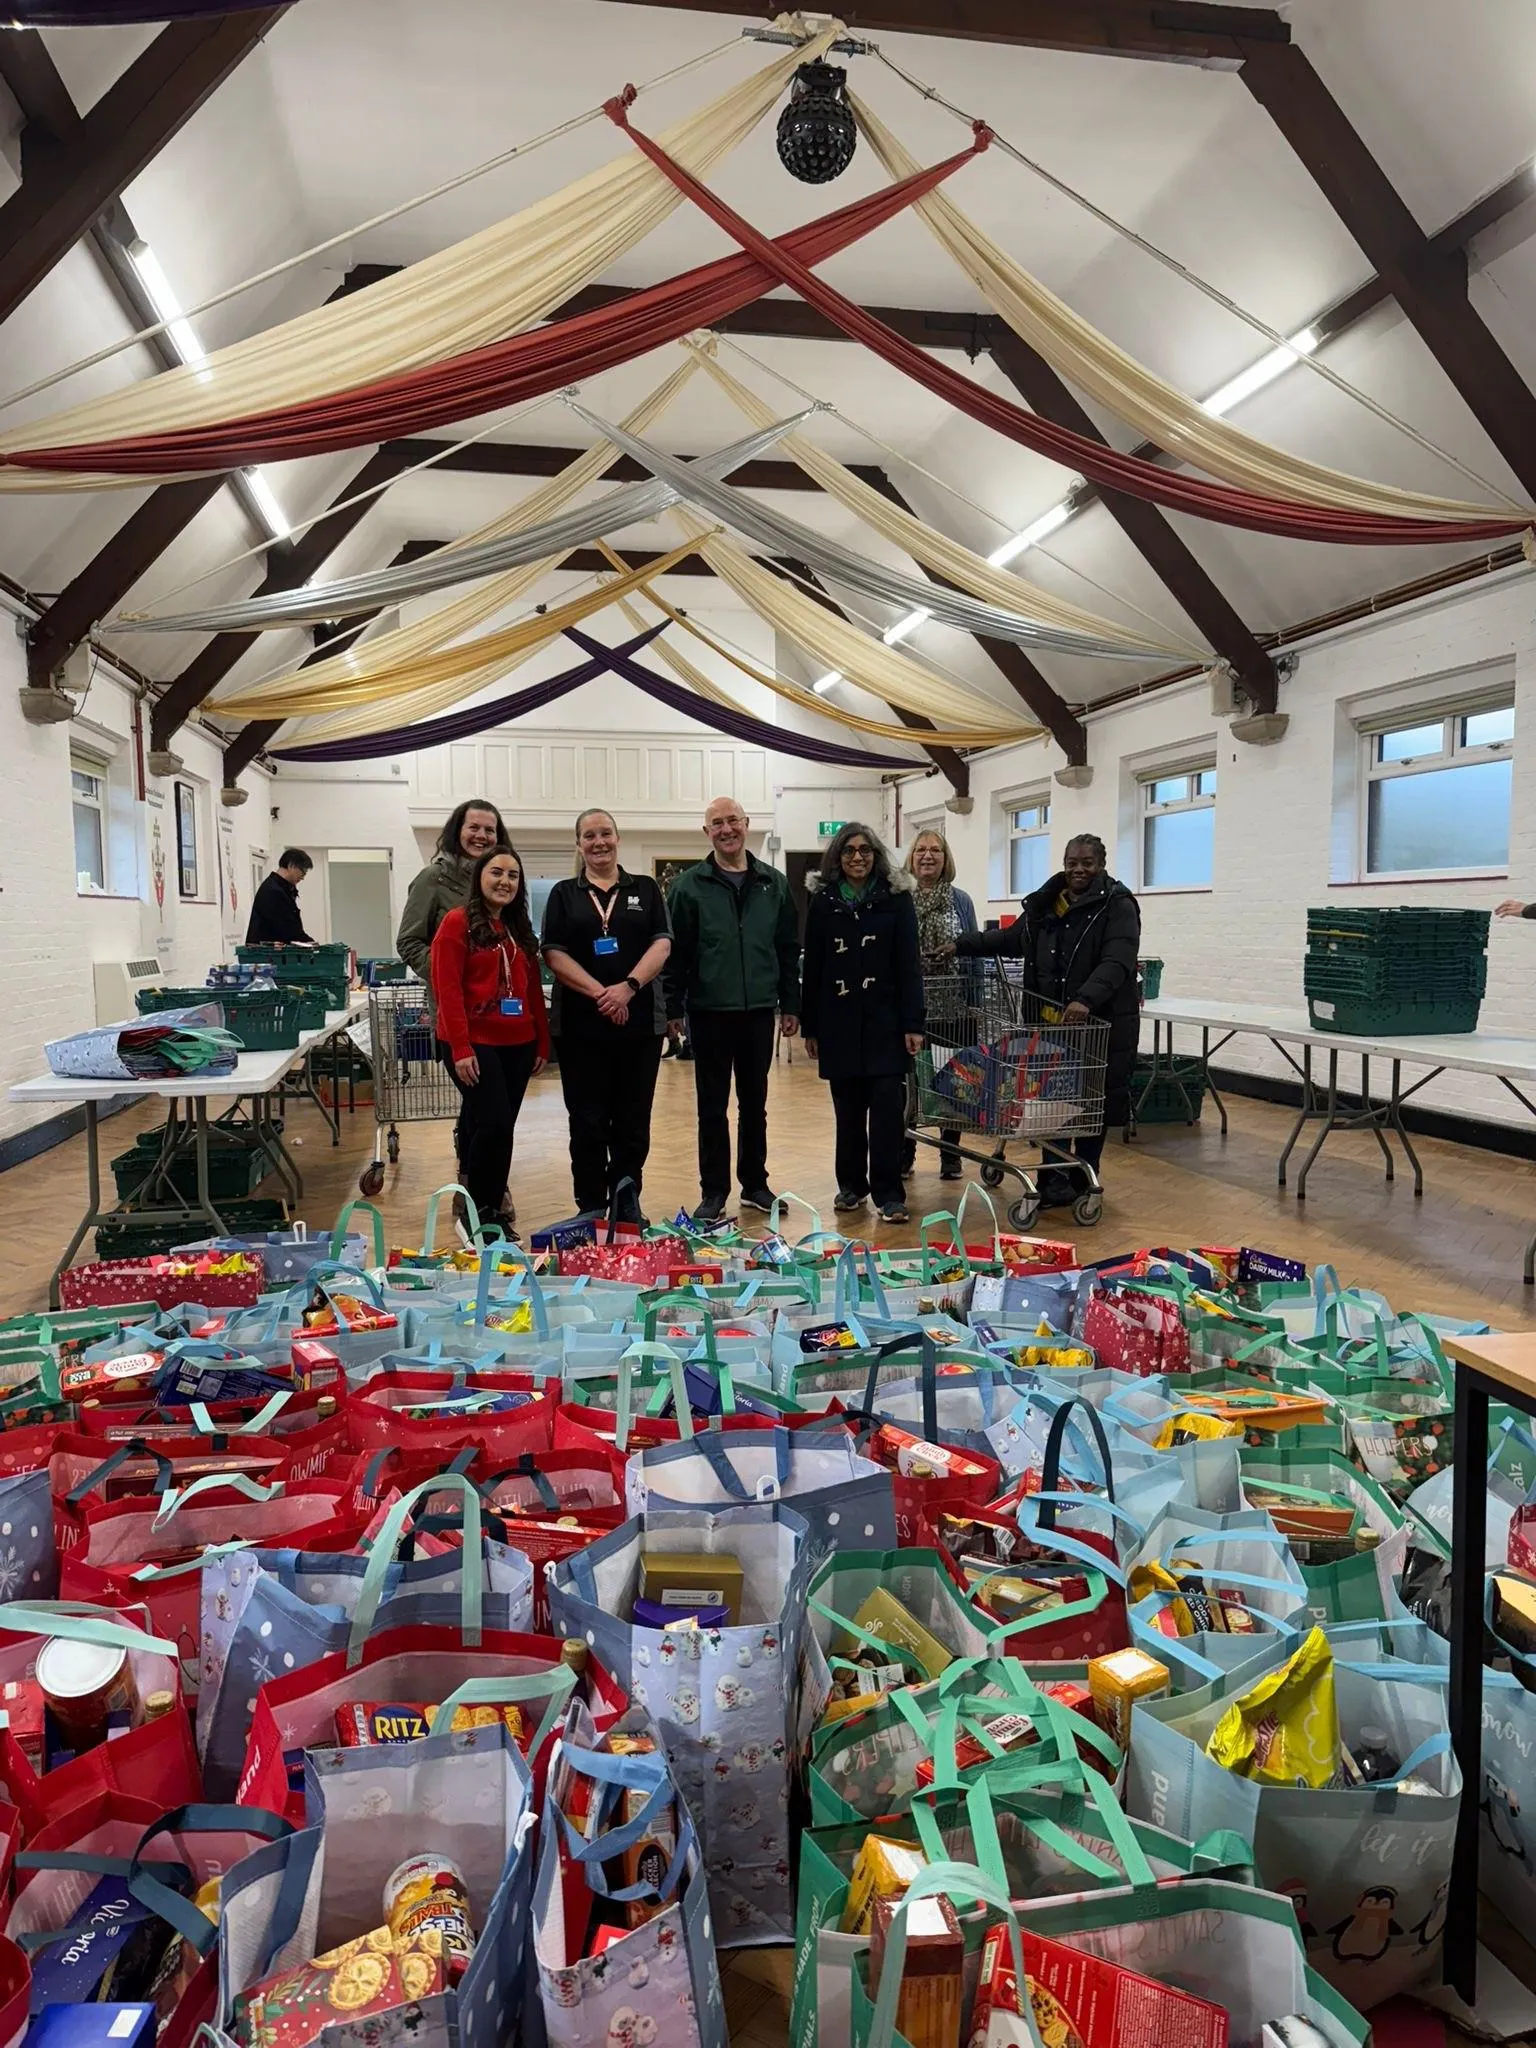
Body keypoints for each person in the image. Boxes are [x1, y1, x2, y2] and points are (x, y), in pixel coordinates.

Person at [953, 832, 1140, 1206]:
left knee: (1089, 1101)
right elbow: (1009, 938)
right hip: (1047, 1022)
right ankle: (1054, 1178)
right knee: (1050, 1098)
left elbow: (1117, 960)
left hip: (1097, 1026)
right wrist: (960, 945)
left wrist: (1086, 999)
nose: (1079, 870)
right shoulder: (1046, 905)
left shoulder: (1117, 906)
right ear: (1064, 863)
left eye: (1087, 863)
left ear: (1101, 865)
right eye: (1073, 862)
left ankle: (1085, 1175)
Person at [663, 797, 800, 1222]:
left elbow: (787, 949)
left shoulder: (773, 884)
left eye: (732, 821)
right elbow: (676, 954)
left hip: (759, 1010)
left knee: (754, 1103)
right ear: (707, 832)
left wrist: (791, 1004)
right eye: (717, 823)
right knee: (711, 1105)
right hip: (708, 1011)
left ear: (746, 824)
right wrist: (673, 1008)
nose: (726, 829)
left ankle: (755, 1184)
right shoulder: (687, 887)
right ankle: (714, 1190)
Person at [542, 809, 672, 1225]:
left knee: (633, 1121)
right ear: (578, 844)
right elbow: (554, 953)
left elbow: (662, 944)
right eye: (588, 835)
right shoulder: (563, 894)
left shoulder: (647, 890)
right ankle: (592, 1207)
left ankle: (627, 1200)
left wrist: (628, 988)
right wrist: (602, 994)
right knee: (587, 1120)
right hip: (581, 1030)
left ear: (618, 837)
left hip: (639, 1030)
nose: (599, 842)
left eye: (606, 833)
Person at [801, 823, 925, 1226]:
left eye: (866, 850)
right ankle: (852, 1186)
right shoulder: (823, 902)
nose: (858, 857)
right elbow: (814, 967)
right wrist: (811, 1027)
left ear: (876, 855)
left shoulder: (896, 898)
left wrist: (913, 1023)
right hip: (838, 1024)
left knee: (888, 1113)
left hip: (886, 1024)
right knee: (848, 1112)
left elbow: (909, 966)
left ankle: (889, 1193)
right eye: (849, 851)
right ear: (837, 857)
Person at [397, 797, 513, 1213]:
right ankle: (475, 1189)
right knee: (484, 1107)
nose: (481, 836)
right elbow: (408, 940)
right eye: (474, 828)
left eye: (490, 830)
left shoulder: (504, 879)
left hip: (502, 1020)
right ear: (456, 831)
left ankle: (483, 1184)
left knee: (484, 1108)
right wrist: (451, 976)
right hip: (458, 1017)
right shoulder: (433, 879)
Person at [430, 845, 548, 1241]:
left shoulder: (518, 930)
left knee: (503, 1128)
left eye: (513, 875)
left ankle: (493, 1210)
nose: (504, 881)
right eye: (497, 872)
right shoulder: (456, 923)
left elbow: (532, 990)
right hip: (473, 1042)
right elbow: (447, 989)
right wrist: (461, 1048)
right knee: (493, 1122)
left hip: (518, 1042)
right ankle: (475, 1213)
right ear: (480, 877)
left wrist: (542, 1044)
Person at [904, 829, 979, 1181]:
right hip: (910, 1010)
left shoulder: (961, 900)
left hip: (954, 1009)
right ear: (911, 857)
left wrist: (975, 1002)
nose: (928, 856)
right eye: (921, 850)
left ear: (946, 858)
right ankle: (905, 1153)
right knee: (907, 1085)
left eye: (936, 850)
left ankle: (951, 1155)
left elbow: (973, 950)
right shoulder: (898, 896)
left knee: (955, 1084)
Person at [246, 849, 313, 945]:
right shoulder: (273, 891)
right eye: (303, 872)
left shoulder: (283, 888)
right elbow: (290, 931)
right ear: (291, 866)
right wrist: (313, 945)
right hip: (267, 955)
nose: (303, 877)